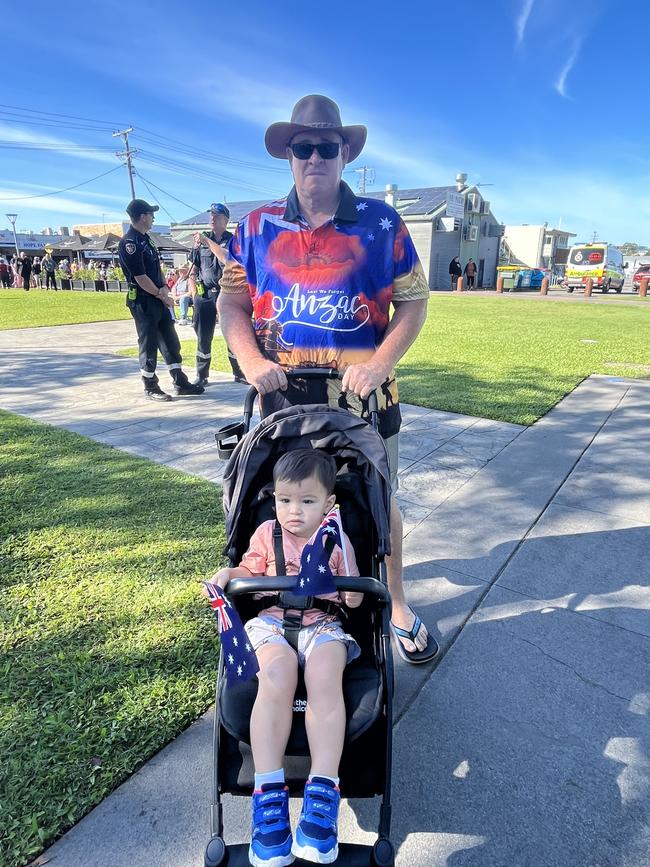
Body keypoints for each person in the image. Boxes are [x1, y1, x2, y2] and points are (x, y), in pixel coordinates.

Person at [218, 94, 438, 664]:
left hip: (365, 397)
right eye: (303, 147)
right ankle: (276, 600)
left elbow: (414, 304)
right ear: (289, 156)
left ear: (345, 154)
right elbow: (232, 302)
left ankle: (395, 606)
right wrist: (249, 361)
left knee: (378, 497)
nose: (315, 157)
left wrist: (380, 363)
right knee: (280, 499)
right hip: (281, 401)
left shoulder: (381, 223)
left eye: (327, 147)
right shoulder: (255, 226)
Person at [203, 449, 363, 865]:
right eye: (285, 500)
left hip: (322, 624)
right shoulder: (265, 535)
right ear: (274, 499)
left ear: (329, 504)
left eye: (307, 502)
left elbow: (356, 599)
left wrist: (346, 575)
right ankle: (268, 790)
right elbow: (248, 573)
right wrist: (228, 577)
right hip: (271, 623)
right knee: (279, 673)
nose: (294, 511)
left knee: (326, 675)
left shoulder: (335, 537)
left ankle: (323, 790)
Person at [118, 198, 204, 402]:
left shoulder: (146, 239)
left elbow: (156, 271)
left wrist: (165, 288)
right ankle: (150, 385)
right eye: (150, 214)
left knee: (170, 341)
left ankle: (179, 381)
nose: (153, 217)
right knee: (149, 343)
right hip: (144, 301)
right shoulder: (129, 243)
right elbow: (140, 277)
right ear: (142, 216)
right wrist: (161, 294)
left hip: (158, 297)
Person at [187, 202, 233, 387]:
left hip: (227, 293)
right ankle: (202, 374)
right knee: (203, 336)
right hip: (205, 295)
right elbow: (193, 270)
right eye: (211, 216)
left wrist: (207, 242)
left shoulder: (233, 241)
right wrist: (193, 294)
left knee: (232, 334)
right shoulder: (200, 242)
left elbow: (228, 259)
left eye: (217, 216)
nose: (212, 219)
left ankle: (239, 372)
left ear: (226, 220)